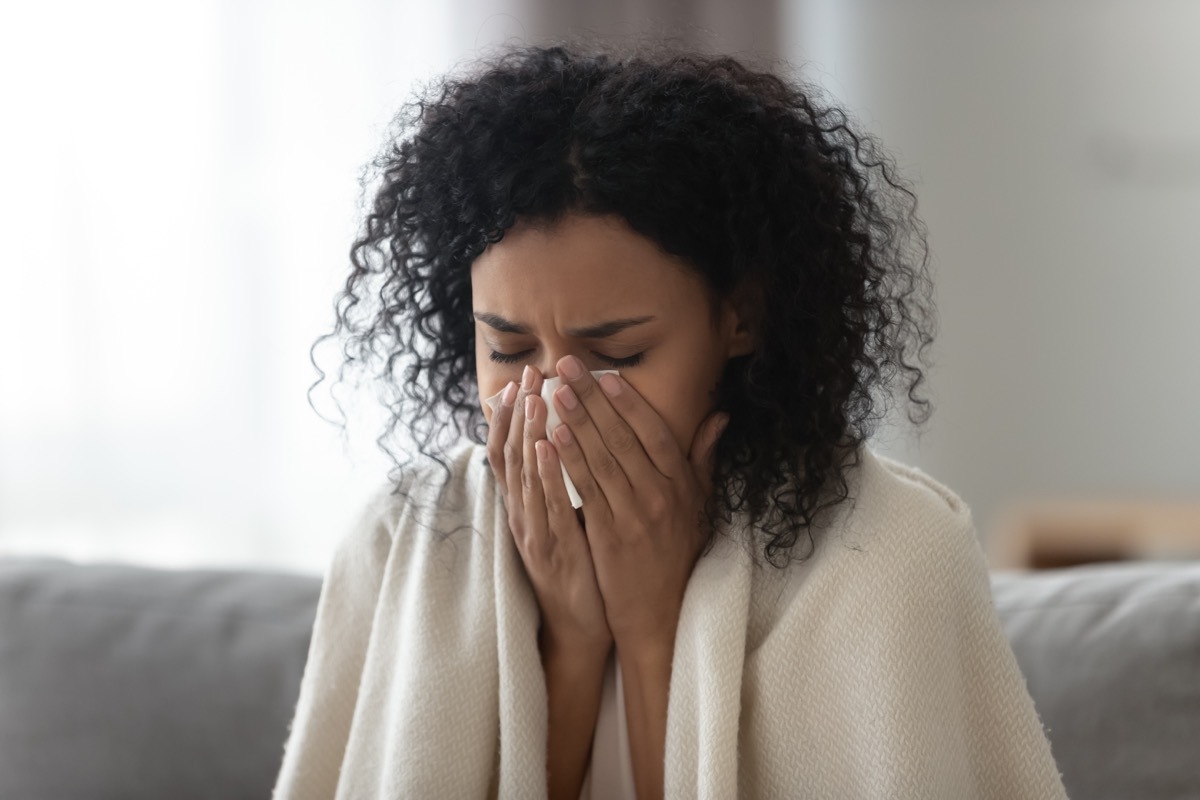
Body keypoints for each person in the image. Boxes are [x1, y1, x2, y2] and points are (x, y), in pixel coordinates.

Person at [271, 38, 1068, 800]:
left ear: (741, 319)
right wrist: (573, 643)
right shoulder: (403, 538)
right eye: (509, 350)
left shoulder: (891, 552)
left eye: (615, 354)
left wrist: (653, 632)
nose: (554, 401)